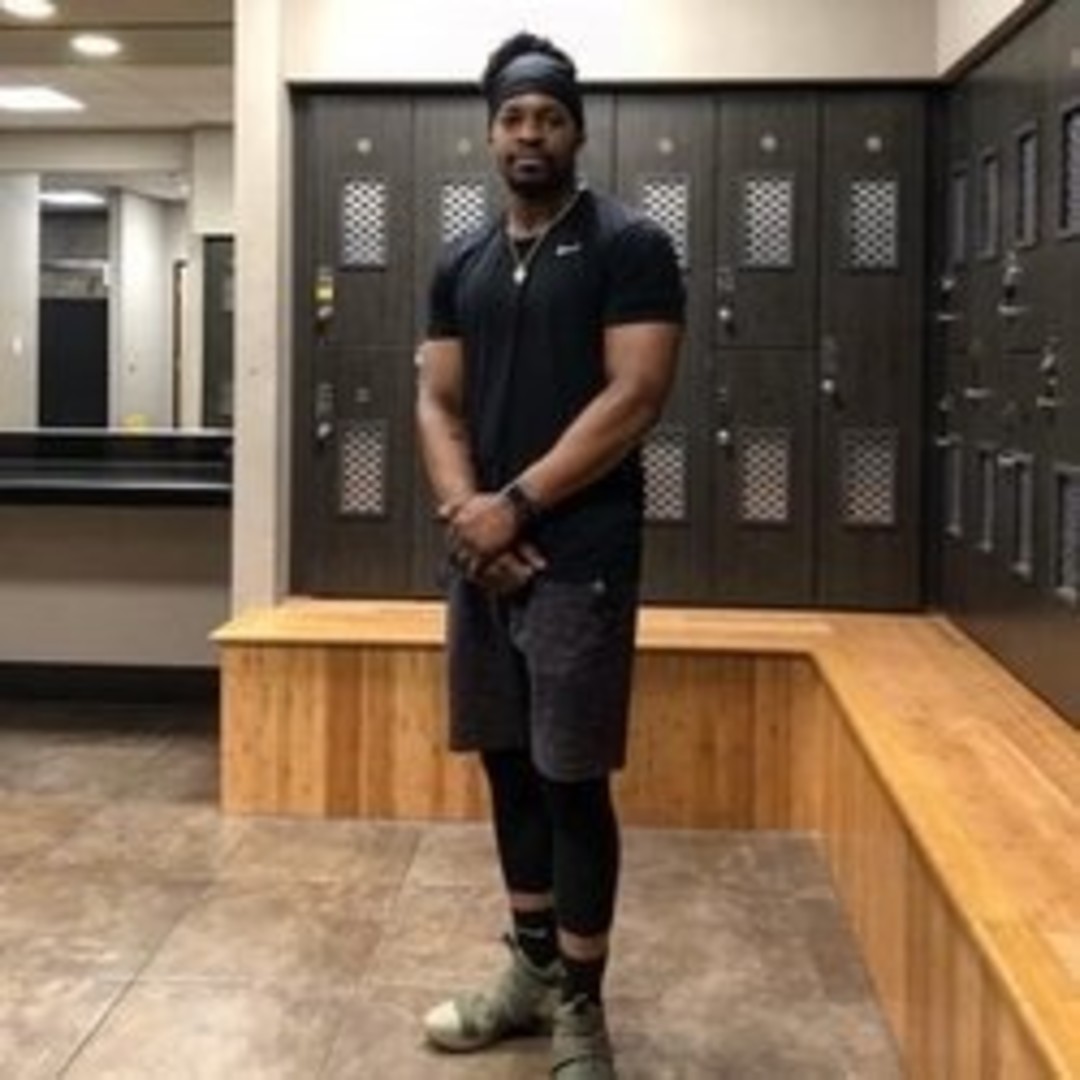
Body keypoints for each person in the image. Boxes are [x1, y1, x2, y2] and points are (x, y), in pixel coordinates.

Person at [415, 30, 684, 1079]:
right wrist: (468, 517)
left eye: (550, 118)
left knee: (571, 780)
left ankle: (582, 1004)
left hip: (580, 556)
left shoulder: (629, 244)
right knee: (508, 764)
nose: (531, 134)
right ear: (490, 135)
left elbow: (636, 396)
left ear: (577, 132)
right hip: (483, 557)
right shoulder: (462, 260)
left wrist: (516, 507)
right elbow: (438, 402)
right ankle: (529, 970)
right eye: (514, 117)